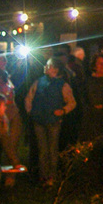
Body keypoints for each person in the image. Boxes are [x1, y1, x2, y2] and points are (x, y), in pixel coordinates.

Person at [25, 57, 76, 186]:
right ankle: (43, 176)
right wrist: (31, 112)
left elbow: (71, 102)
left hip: (53, 121)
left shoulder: (63, 85)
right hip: (39, 120)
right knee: (43, 150)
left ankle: (52, 176)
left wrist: (63, 111)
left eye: (48, 66)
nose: (45, 67)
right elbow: (29, 98)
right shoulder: (39, 82)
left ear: (55, 69)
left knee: (52, 149)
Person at [79, 54, 103, 141]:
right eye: (99, 63)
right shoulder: (87, 82)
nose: (102, 66)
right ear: (94, 66)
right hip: (91, 120)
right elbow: (83, 98)